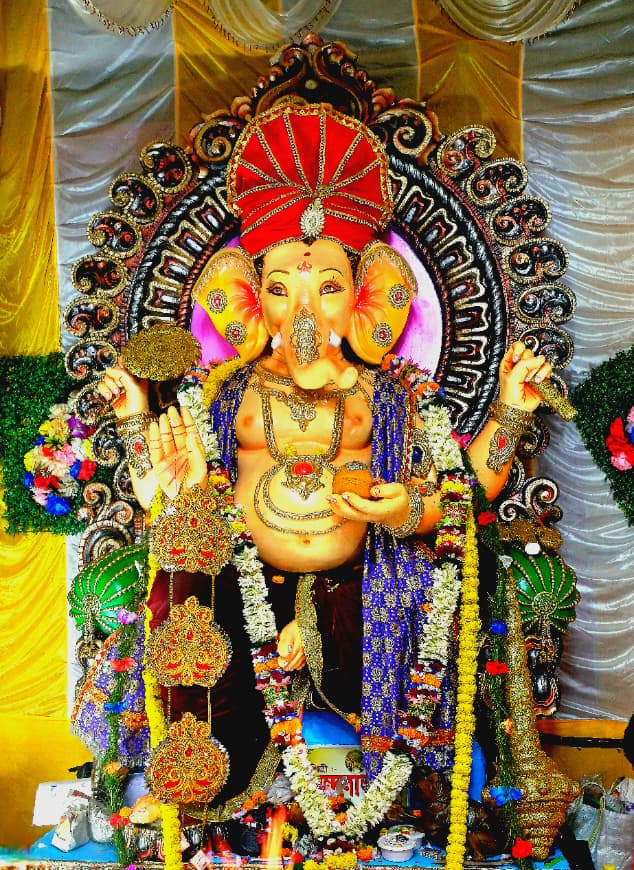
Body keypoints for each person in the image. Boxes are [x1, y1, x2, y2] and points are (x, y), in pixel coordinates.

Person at [96, 102, 551, 814]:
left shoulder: (389, 396)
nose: (303, 308)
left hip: (360, 583)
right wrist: (145, 440)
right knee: (185, 582)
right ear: (247, 301)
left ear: (369, 301)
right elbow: (169, 495)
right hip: (246, 579)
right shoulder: (225, 394)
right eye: (280, 288)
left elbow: (466, 492)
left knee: (432, 577)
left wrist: (500, 420)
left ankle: (412, 782)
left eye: (327, 286)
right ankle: (198, 777)